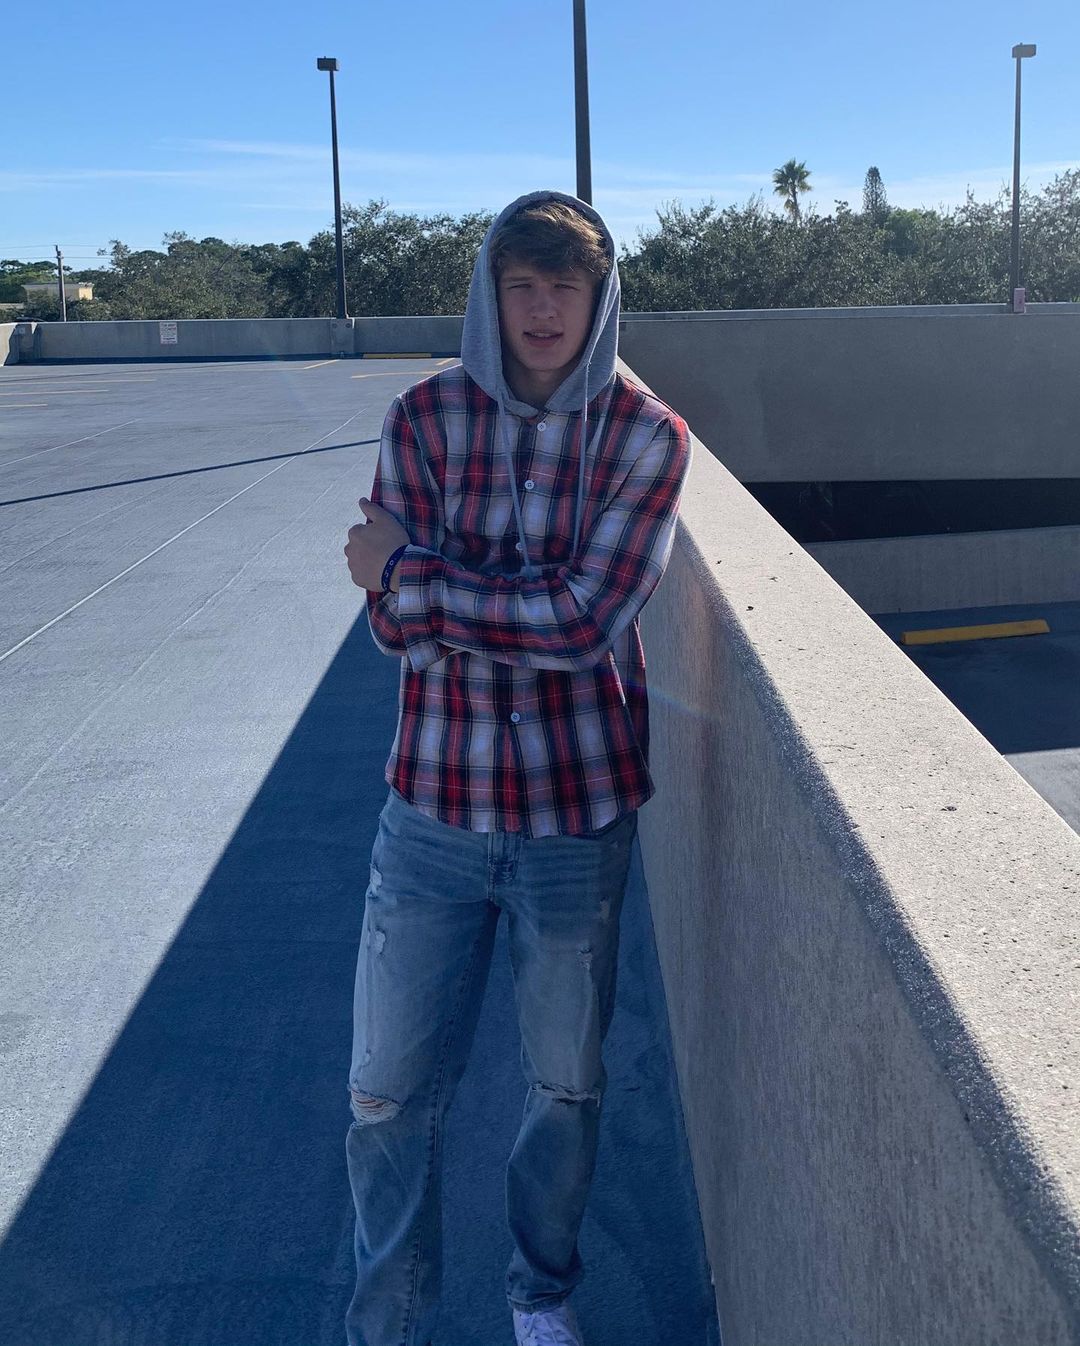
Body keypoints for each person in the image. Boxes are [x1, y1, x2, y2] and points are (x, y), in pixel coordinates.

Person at [343, 189, 691, 1346]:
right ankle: (387, 1322)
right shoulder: (423, 416)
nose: (543, 310)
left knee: (563, 1088)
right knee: (385, 1092)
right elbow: (391, 631)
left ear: (600, 299)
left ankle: (540, 1293)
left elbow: (585, 622)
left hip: (573, 820)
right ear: (490, 296)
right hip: (430, 810)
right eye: (522, 285)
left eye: (565, 287)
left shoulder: (646, 435)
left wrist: (414, 573)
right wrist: (435, 598)